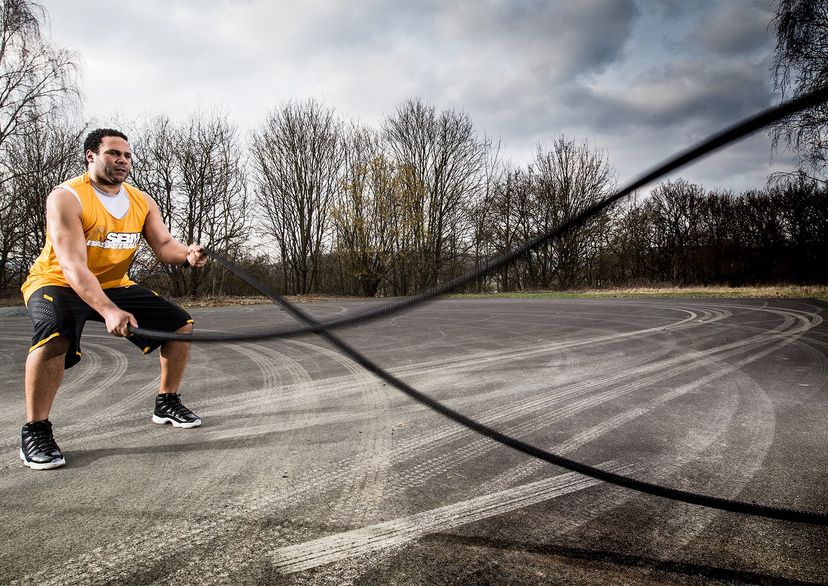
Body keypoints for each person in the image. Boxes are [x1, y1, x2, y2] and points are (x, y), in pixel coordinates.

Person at [19, 128, 208, 470]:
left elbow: (164, 245)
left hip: (113, 282)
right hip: (57, 282)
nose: (122, 161)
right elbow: (73, 265)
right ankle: (36, 429)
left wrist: (187, 254)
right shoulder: (67, 197)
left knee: (180, 324)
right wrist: (107, 310)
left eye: (127, 155)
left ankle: (166, 402)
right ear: (91, 156)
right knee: (54, 332)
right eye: (113, 154)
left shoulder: (141, 200)